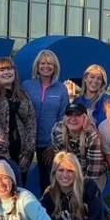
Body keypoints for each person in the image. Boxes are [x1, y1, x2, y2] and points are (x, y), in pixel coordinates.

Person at [21, 48, 70, 192]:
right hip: (27, 142)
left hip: (48, 144)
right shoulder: (27, 86)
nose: (46, 66)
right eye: (42, 63)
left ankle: (48, 212)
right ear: (37, 66)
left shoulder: (61, 89)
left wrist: (54, 144)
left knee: (47, 183)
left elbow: (63, 118)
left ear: (55, 67)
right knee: (20, 178)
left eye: (50, 64)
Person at [0, 56, 36, 176]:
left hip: (21, 154)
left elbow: (31, 122)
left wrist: (28, 151)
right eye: (2, 69)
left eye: (9, 69)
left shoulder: (22, 95)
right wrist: (4, 151)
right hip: (1, 154)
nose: (6, 72)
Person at [50, 100, 107, 190]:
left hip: (93, 172)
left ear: (85, 118)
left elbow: (94, 168)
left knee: (88, 197)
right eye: (69, 114)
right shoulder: (57, 130)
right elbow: (59, 160)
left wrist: (82, 189)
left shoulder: (91, 135)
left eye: (77, 115)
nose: (73, 119)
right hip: (70, 170)